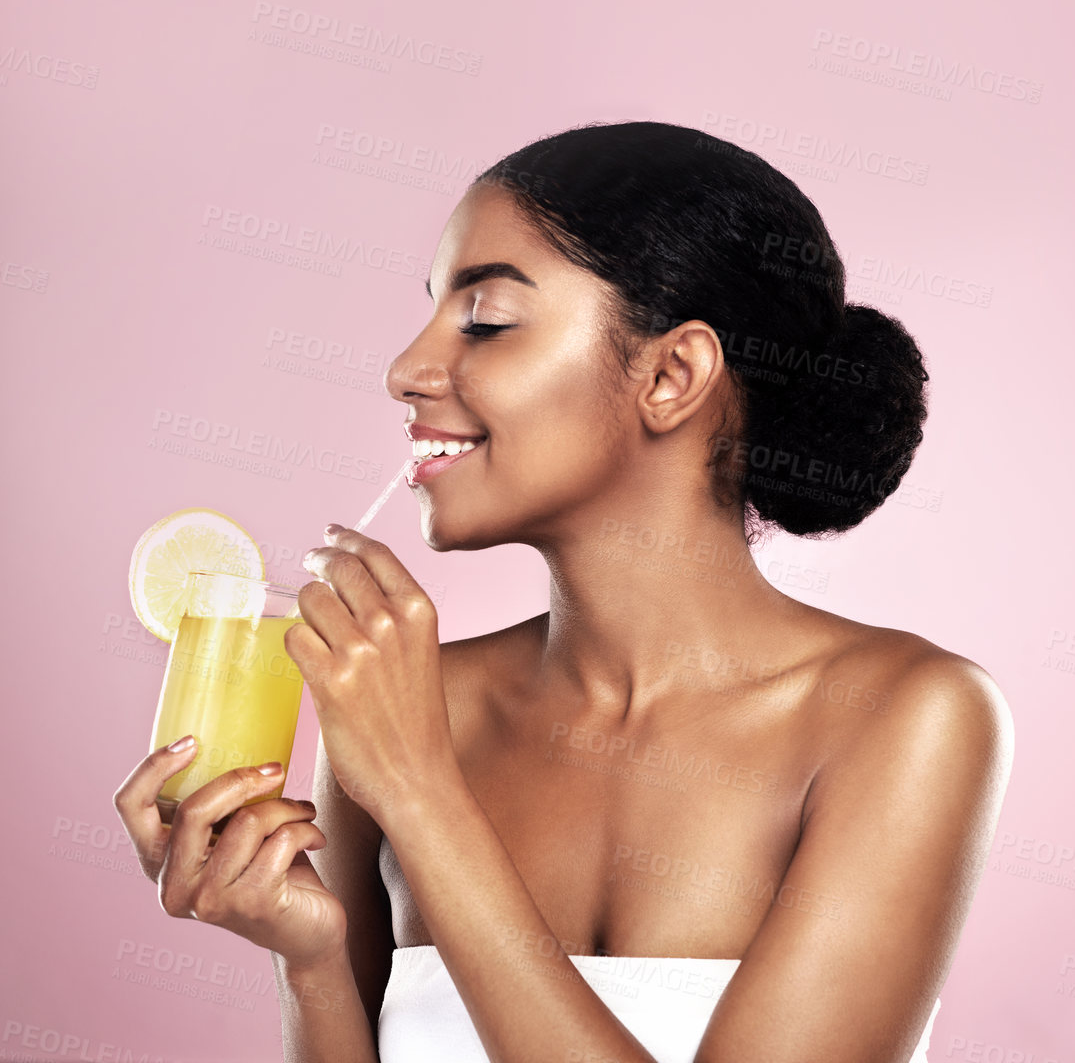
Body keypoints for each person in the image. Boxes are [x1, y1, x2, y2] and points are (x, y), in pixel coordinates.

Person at [114, 120, 1013, 1063]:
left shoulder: (906, 717)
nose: (405, 372)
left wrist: (423, 795)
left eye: (487, 320)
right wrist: (308, 961)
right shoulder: (410, 706)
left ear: (671, 374)